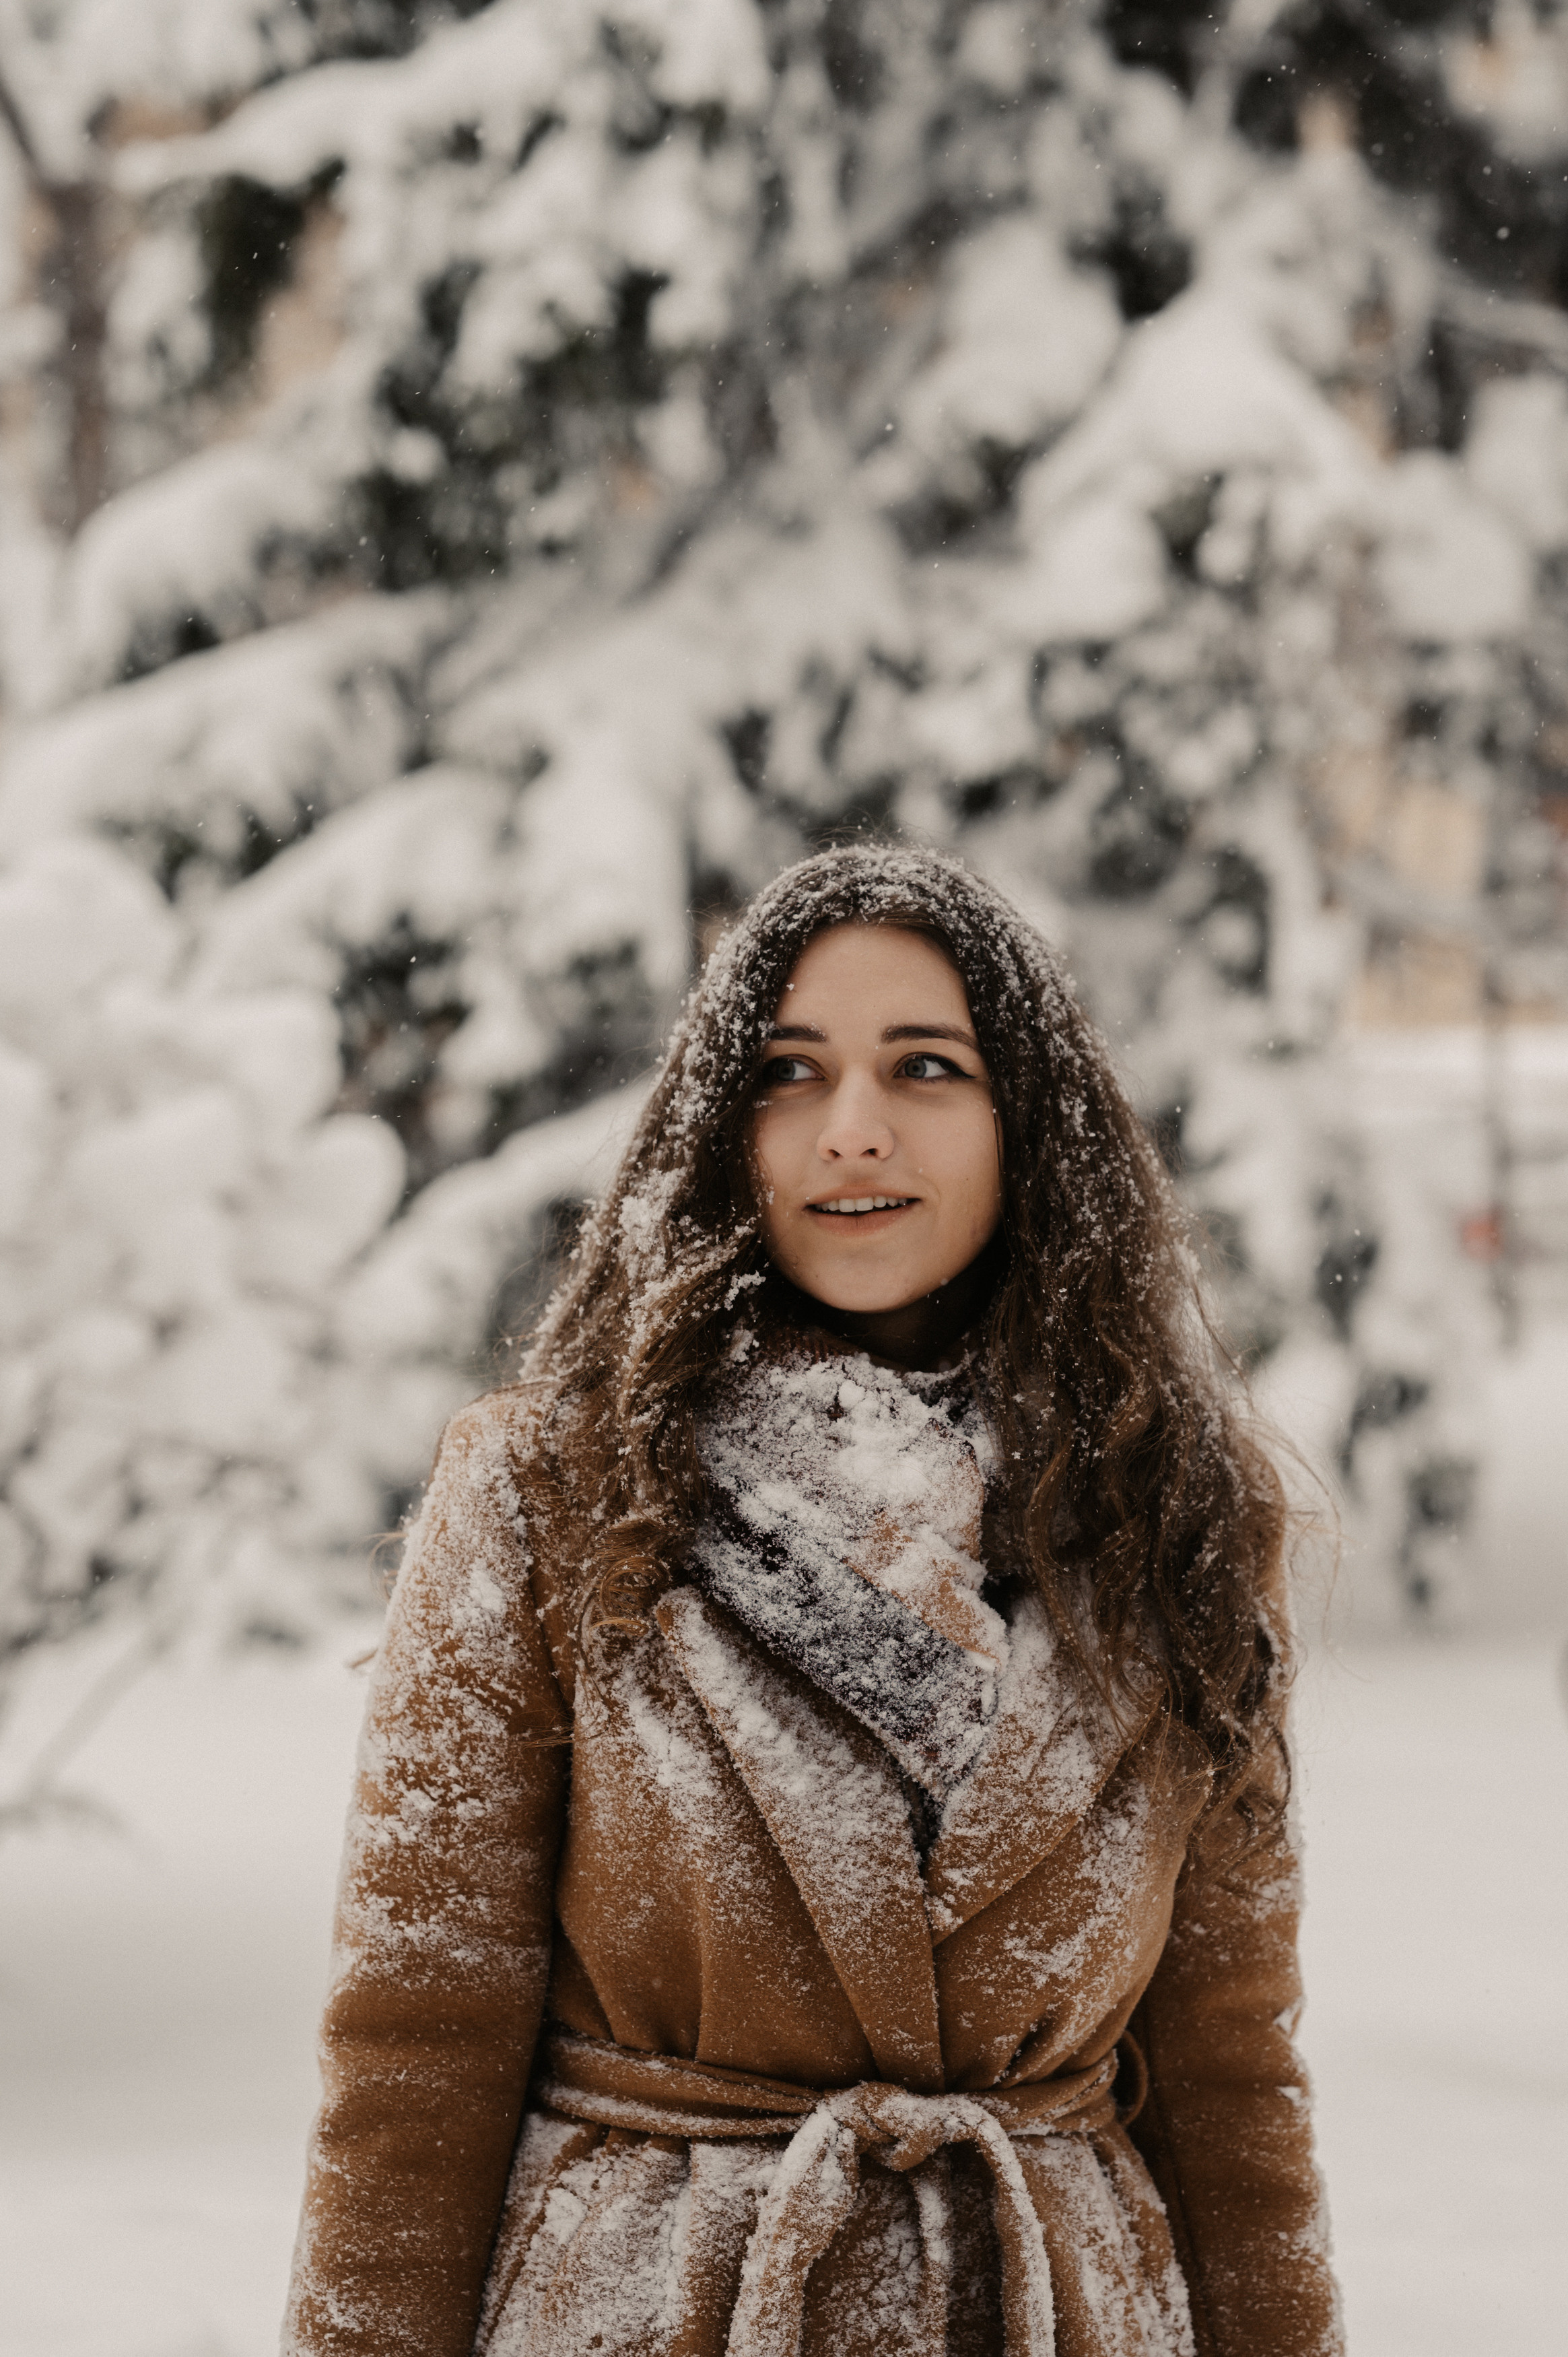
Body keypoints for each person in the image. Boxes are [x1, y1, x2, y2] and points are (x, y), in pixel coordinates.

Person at [282, 845, 1342, 2357]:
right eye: (790, 1072)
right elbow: (417, 2044)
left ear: (1029, 1124)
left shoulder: (1175, 1515)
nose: (851, 1129)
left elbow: (1233, 2082)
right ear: (722, 1124)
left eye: (925, 1067)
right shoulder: (548, 1491)